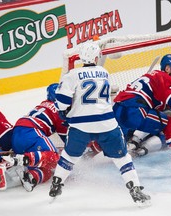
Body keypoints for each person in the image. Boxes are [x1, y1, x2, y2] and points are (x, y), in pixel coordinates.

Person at [49, 42, 151, 206]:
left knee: (70, 156)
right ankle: (135, 189)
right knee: (122, 157)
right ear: (96, 58)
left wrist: (65, 111)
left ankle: (57, 183)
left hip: (80, 126)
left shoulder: (72, 74)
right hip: (106, 123)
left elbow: (61, 103)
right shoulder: (104, 72)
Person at [112, 54, 171, 172]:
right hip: (135, 111)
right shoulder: (164, 77)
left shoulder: (151, 76)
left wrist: (167, 108)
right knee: (169, 122)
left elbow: (160, 101)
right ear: (168, 68)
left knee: (111, 135)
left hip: (118, 108)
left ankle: (90, 153)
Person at [3, 83, 68, 192]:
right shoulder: (59, 110)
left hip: (18, 133)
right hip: (31, 131)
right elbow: (69, 142)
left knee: (48, 168)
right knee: (54, 157)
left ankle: (32, 177)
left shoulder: (44, 104)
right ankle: (25, 159)